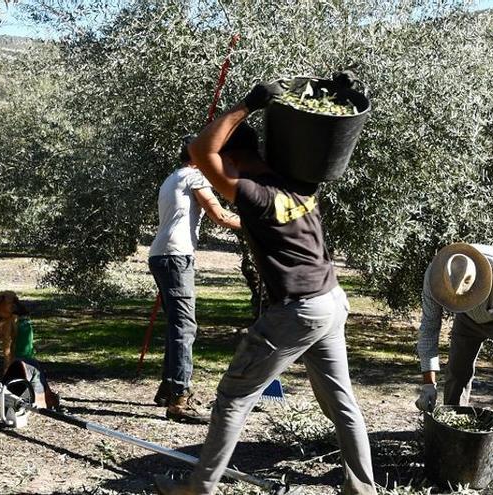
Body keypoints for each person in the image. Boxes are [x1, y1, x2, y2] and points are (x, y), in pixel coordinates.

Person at [154, 80, 376, 495]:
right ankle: (363, 490)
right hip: (331, 301)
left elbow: (204, 151)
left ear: (233, 158)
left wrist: (250, 103)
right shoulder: (301, 182)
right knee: (342, 403)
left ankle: (199, 488)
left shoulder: (255, 195)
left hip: (298, 310)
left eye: (220, 163)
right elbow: (211, 153)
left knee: (233, 397)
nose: (207, 169)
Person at [415, 243, 493, 469]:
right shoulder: (435, 275)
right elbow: (429, 328)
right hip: (467, 318)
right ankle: (453, 430)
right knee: (457, 370)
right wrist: (428, 384)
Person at [149, 136, 241, 423]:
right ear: (200, 156)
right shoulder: (193, 176)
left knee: (177, 324)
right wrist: (263, 221)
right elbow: (221, 216)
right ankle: (180, 398)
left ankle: (169, 387)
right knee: (185, 327)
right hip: (176, 257)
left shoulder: (172, 177)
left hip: (162, 256)